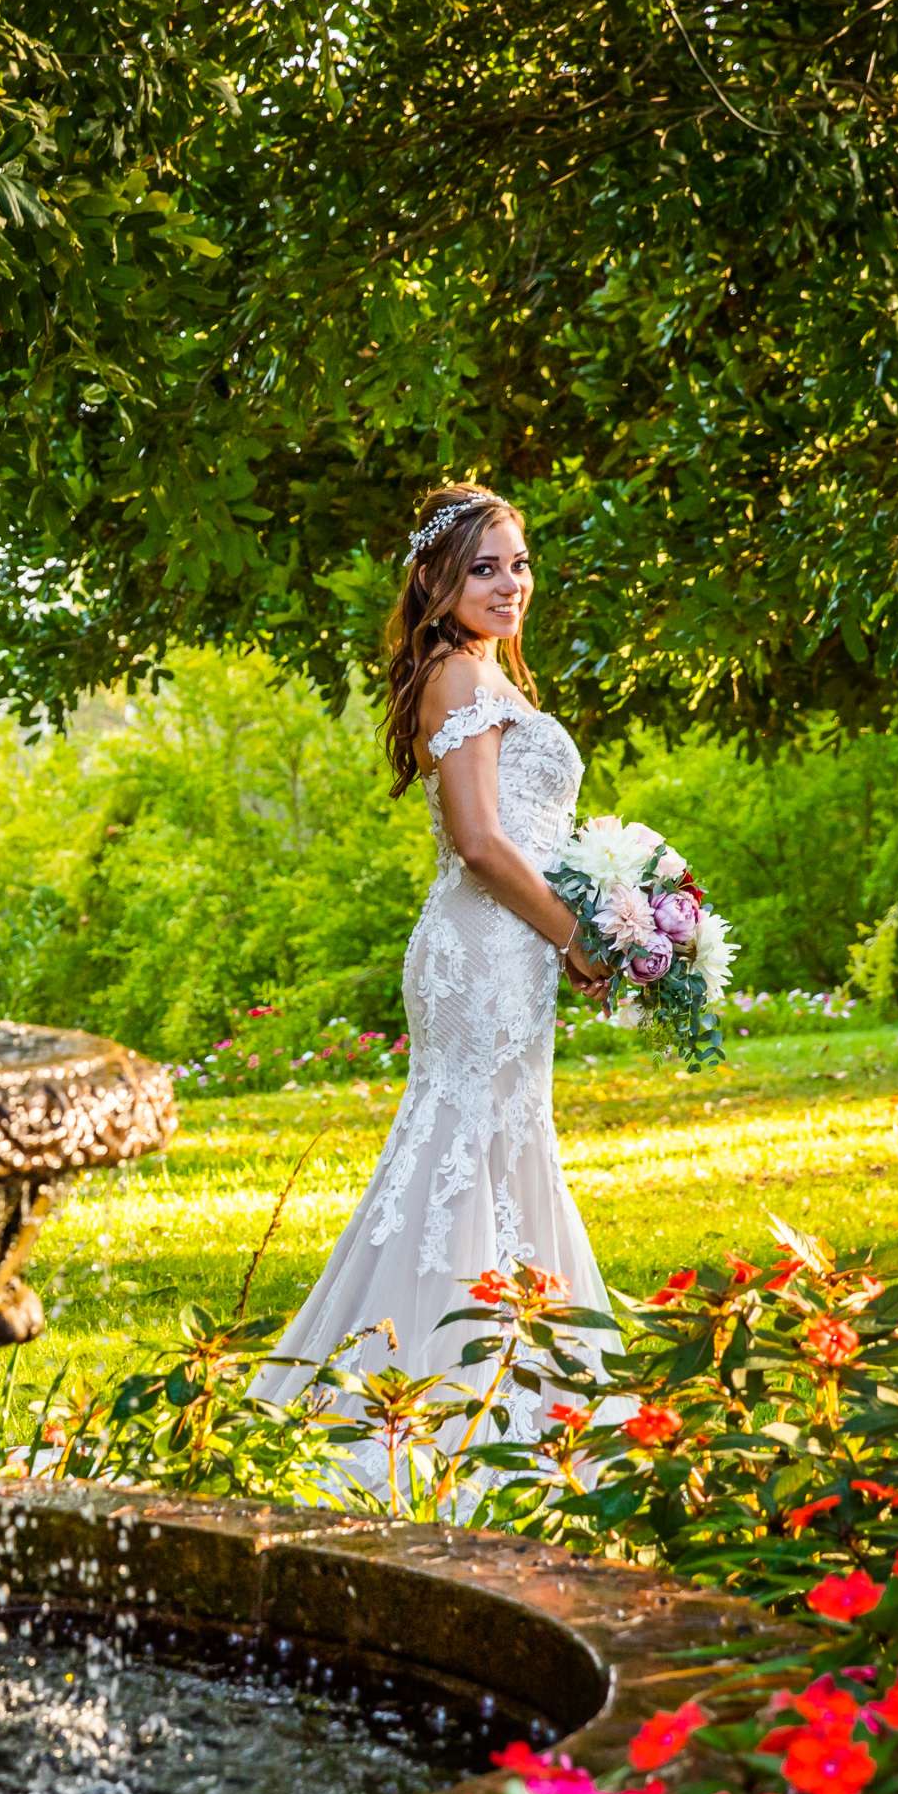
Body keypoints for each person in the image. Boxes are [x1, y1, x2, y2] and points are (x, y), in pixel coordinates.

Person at [256, 481, 622, 1483]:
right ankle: (441, 1401)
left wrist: (589, 919)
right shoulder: (457, 678)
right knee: (467, 1145)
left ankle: (517, 1375)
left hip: (512, 946)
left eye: (519, 564)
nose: (510, 585)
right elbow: (477, 843)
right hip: (486, 946)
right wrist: (573, 936)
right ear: (436, 581)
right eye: (484, 568)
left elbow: (523, 836)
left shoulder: (490, 680)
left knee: (502, 1144)